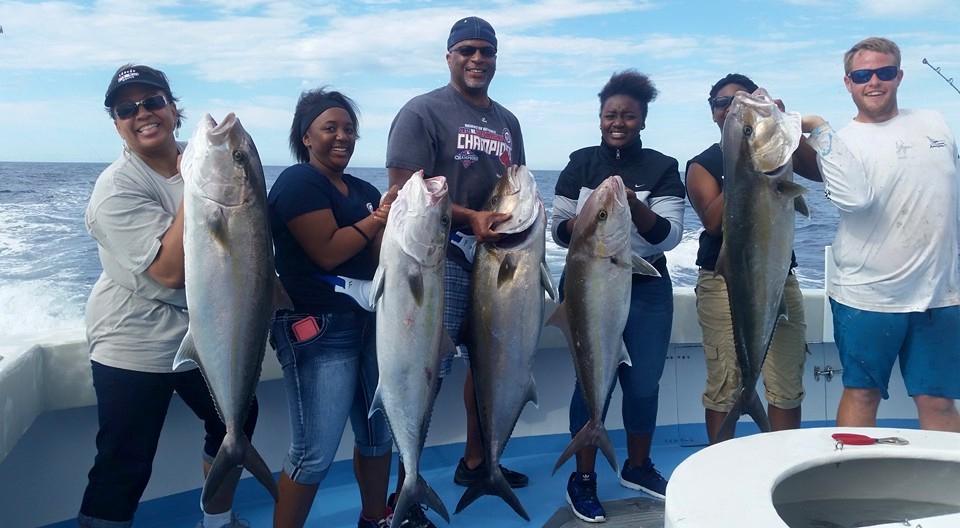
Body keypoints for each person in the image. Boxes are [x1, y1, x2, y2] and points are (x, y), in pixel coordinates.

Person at [79, 64, 254, 528]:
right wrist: (199, 184)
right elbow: (171, 271)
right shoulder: (116, 188)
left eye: (154, 101)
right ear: (116, 123)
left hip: (203, 328)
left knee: (237, 419)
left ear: (174, 109)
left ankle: (216, 520)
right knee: (126, 460)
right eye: (126, 108)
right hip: (132, 340)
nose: (143, 113)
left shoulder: (205, 165)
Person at [384, 15, 526, 528]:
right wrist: (469, 219)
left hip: (497, 262)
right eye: (467, 50)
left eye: (486, 51)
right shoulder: (423, 111)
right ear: (449, 56)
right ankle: (410, 482)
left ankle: (477, 460)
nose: (477, 59)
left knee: (489, 364)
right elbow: (405, 189)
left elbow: (515, 186)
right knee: (428, 370)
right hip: (439, 262)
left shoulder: (508, 121)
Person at [802, 37, 960, 432]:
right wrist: (817, 127)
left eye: (885, 72)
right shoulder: (839, 142)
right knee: (862, 392)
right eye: (862, 74)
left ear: (899, 76)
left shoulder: (935, 121)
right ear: (848, 82)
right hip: (867, 296)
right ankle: (849, 487)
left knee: (939, 401)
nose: (874, 81)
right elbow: (854, 201)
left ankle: (947, 490)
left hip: (940, 295)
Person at [551, 69, 685, 523]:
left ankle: (637, 466)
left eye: (629, 115)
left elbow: (669, 237)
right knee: (591, 382)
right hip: (589, 286)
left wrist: (633, 205)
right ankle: (583, 477)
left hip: (646, 288)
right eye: (611, 114)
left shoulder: (663, 167)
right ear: (600, 118)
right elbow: (558, 229)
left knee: (643, 384)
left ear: (643, 120)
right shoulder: (580, 163)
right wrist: (593, 216)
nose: (619, 122)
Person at [267, 88, 398, 528]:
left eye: (349, 128)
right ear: (306, 137)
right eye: (330, 127)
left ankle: (374, 519)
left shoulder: (362, 190)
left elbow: (379, 257)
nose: (342, 136)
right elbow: (326, 251)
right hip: (317, 330)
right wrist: (377, 219)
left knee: (379, 435)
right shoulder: (298, 182)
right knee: (315, 452)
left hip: (369, 323)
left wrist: (402, 220)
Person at [685, 73, 822, 444]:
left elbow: (821, 171)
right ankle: (720, 471)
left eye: (741, 98)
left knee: (785, 380)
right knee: (725, 382)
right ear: (714, 114)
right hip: (722, 278)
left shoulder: (779, 150)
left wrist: (782, 131)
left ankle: (781, 464)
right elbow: (713, 222)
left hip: (779, 276)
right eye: (722, 103)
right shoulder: (704, 163)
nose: (731, 106)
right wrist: (744, 167)